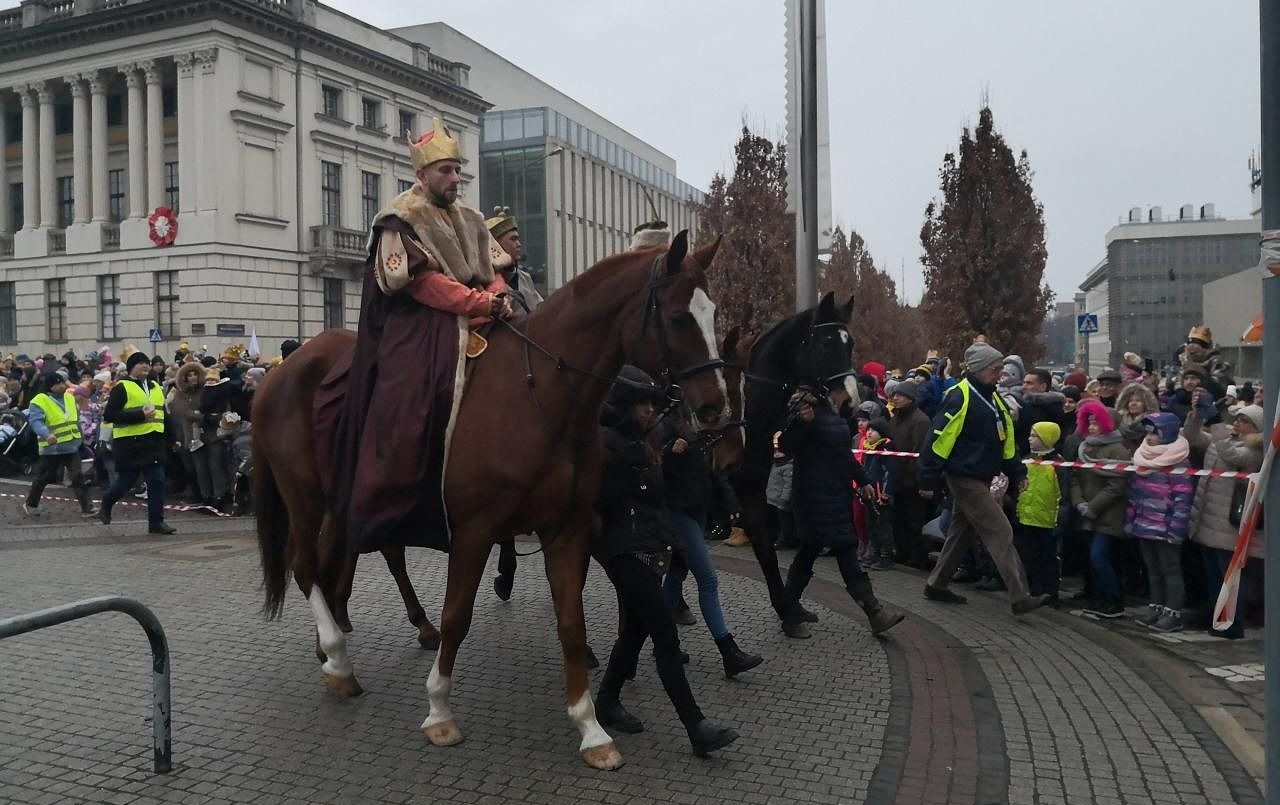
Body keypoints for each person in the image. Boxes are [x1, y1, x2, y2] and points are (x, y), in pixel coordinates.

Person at [315, 117, 512, 554]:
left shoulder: (472, 217)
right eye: (445, 170)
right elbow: (420, 284)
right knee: (411, 389)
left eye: (457, 169)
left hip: (478, 311)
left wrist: (499, 297)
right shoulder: (398, 219)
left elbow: (495, 270)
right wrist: (480, 303)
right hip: (421, 322)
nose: (455, 177)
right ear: (421, 175)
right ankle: (395, 488)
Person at [592, 366, 739, 757]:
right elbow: (600, 500)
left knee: (635, 633)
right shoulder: (606, 442)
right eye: (640, 404)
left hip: (652, 548)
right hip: (624, 551)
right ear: (624, 405)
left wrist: (676, 548)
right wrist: (630, 461)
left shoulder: (647, 442)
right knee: (666, 638)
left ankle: (606, 699)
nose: (647, 412)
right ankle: (696, 726)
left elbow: (658, 504)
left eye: (650, 405)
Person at [918, 342, 1049, 615]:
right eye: (995, 369)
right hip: (964, 477)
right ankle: (1019, 595)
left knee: (960, 533)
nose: (1000, 374)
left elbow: (1007, 441)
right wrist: (927, 476)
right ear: (978, 370)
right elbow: (938, 437)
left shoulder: (994, 399)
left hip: (980, 475)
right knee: (1001, 530)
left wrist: (1017, 472)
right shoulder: (960, 396)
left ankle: (936, 584)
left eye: (1000, 368)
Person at [776, 383, 905, 638]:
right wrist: (801, 423)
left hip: (836, 493)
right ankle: (874, 611)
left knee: (810, 551)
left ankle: (789, 609)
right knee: (845, 548)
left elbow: (844, 455)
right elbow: (786, 446)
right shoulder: (801, 409)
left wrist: (864, 479)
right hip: (813, 496)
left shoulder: (834, 414)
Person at [658, 405, 764, 678]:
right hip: (679, 513)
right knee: (707, 580)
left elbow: (714, 472)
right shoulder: (667, 423)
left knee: (675, 576)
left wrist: (730, 502)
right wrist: (669, 450)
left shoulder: (703, 432)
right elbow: (648, 458)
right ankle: (728, 651)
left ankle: (663, 645)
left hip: (698, 511)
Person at [485, 204, 544, 602]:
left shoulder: (524, 278)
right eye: (512, 238)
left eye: (519, 237)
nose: (519, 243)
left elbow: (541, 316)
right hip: (498, 367)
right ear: (495, 245)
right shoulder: (484, 278)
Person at [1185, 404, 1266, 639]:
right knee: (1212, 574)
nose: (1237, 424)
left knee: (1229, 577)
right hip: (1208, 518)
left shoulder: (1255, 449)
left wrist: (1217, 423)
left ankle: (1232, 622)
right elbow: (1194, 438)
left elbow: (1232, 455)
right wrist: (1196, 416)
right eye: (1236, 419)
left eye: (1243, 420)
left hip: (1230, 525)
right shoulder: (1224, 437)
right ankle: (1214, 615)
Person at [1126, 412, 1193, 632]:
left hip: (1165, 528)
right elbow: (1134, 494)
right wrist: (1131, 520)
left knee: (1170, 569)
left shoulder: (1179, 461)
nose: (1151, 436)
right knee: (1152, 569)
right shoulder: (1143, 457)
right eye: (1149, 432)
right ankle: (1156, 607)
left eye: (1156, 432)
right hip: (1144, 525)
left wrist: (1176, 530)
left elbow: (1182, 500)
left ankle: (1173, 613)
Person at [99, 351, 177, 534]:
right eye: (141, 363)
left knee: (157, 482)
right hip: (130, 444)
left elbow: (163, 414)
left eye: (147, 363)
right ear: (131, 367)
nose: (145, 366)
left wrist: (173, 438)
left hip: (154, 443)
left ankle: (156, 523)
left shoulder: (156, 387)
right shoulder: (122, 387)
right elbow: (110, 415)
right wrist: (139, 415)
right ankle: (107, 502)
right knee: (125, 483)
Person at [1070, 400, 1132, 618]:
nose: (1092, 426)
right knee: (1093, 557)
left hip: (1108, 514)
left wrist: (1093, 506)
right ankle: (1100, 597)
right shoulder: (1085, 447)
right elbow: (1075, 477)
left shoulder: (1118, 450)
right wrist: (1079, 502)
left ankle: (1114, 599)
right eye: (1090, 422)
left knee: (1100, 557)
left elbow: (1117, 485)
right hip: (1087, 511)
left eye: (1096, 422)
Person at [23, 372, 96, 517]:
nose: (62, 386)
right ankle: (31, 503)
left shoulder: (69, 398)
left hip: (71, 446)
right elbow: (35, 422)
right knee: (44, 477)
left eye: (62, 382)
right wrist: (46, 434)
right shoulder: (39, 400)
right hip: (52, 448)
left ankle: (87, 508)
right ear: (50, 386)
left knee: (78, 476)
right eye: (58, 383)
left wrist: (80, 439)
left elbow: (74, 420)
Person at [1013, 421, 1070, 605]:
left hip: (1048, 521)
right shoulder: (1027, 459)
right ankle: (1032, 590)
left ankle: (1050, 593)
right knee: (1028, 556)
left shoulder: (1058, 464)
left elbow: (1064, 495)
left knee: (1048, 559)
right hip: (1026, 517)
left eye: (1035, 435)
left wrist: (1060, 521)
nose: (1030, 439)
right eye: (1030, 435)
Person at [887, 380, 932, 568]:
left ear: (911, 398)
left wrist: (913, 477)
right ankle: (903, 551)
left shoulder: (920, 420)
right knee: (899, 519)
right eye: (894, 394)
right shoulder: (896, 417)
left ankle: (918, 555)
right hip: (896, 477)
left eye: (900, 395)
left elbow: (919, 452)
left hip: (910, 479)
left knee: (914, 519)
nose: (895, 398)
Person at [861, 416, 898, 571]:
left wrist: (886, 493)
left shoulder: (886, 449)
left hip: (882, 495)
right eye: (868, 429)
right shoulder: (869, 448)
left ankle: (886, 555)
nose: (869, 433)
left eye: (873, 430)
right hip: (869, 495)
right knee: (872, 525)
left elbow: (891, 473)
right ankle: (874, 553)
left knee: (884, 525)